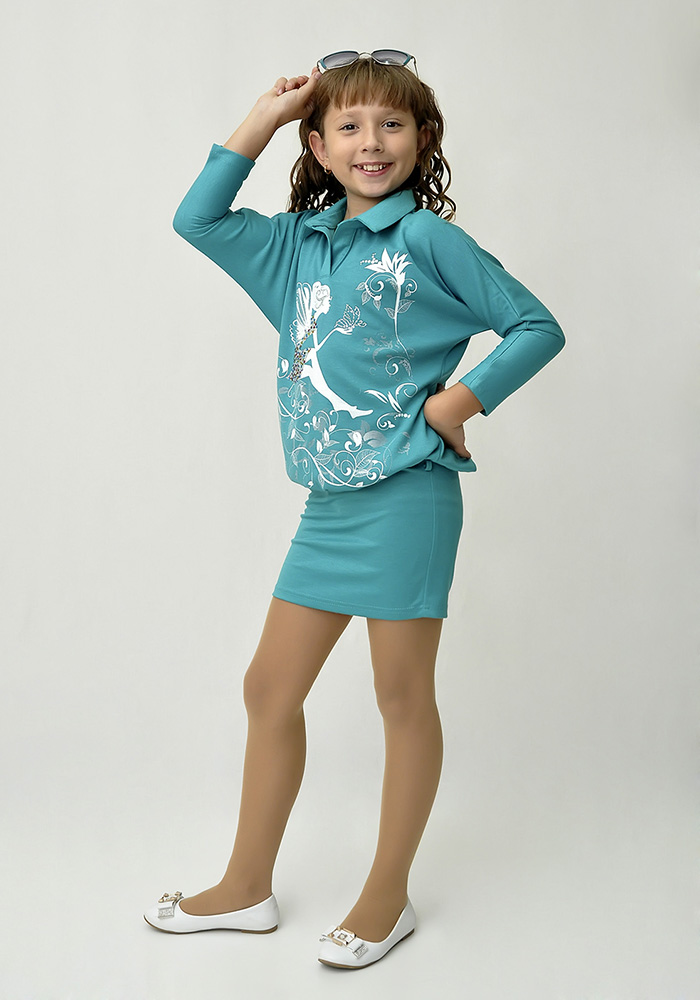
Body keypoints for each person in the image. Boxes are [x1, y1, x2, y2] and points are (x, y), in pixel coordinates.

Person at [143, 50, 566, 969]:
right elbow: (195, 218)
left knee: (400, 697)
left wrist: (456, 405)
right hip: (329, 507)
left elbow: (537, 325)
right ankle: (246, 886)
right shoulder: (295, 247)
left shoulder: (429, 240)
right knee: (269, 689)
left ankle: (387, 896)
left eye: (393, 124)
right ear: (318, 146)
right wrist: (264, 114)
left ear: (423, 138)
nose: (372, 142)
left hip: (408, 497)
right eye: (349, 126)